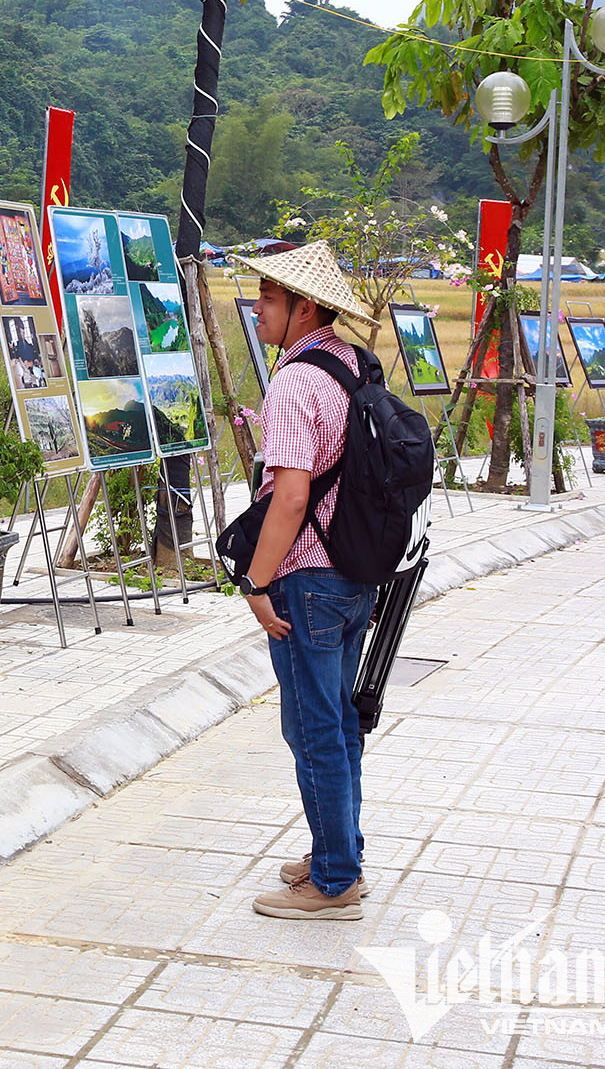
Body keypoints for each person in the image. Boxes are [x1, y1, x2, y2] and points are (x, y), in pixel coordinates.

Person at [235, 240, 377, 921]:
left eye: (268, 297)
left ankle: (334, 881)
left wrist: (256, 583)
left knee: (313, 726)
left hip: (307, 580)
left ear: (304, 307)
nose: (257, 307)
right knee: (337, 722)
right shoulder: (350, 364)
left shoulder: (293, 381)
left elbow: (290, 496)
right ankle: (336, 850)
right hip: (354, 576)